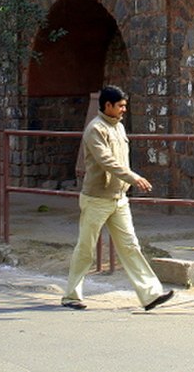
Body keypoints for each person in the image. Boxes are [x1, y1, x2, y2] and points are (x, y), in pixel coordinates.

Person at [61, 85, 174, 311]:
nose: (124, 110)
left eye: (125, 106)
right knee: (86, 247)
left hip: (119, 198)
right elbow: (107, 161)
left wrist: (127, 182)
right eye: (120, 106)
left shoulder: (119, 128)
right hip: (96, 199)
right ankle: (71, 296)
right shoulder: (95, 129)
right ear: (108, 105)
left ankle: (150, 295)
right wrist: (133, 178)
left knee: (131, 246)